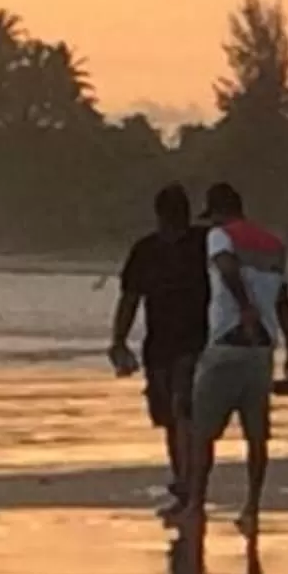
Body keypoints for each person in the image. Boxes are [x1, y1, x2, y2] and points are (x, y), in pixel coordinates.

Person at [181, 182, 288, 533]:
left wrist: (245, 307)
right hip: (262, 348)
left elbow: (226, 267)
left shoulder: (220, 236)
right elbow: (283, 300)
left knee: (202, 431)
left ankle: (195, 504)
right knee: (256, 436)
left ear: (219, 211)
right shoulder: (274, 245)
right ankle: (251, 507)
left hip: (226, 343)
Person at [111, 183, 210, 505]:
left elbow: (129, 300)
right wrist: (119, 341)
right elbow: (130, 297)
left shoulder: (165, 247)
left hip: (188, 343)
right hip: (173, 343)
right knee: (175, 417)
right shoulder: (201, 242)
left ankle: (187, 481)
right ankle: (185, 479)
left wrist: (118, 340)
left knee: (182, 413)